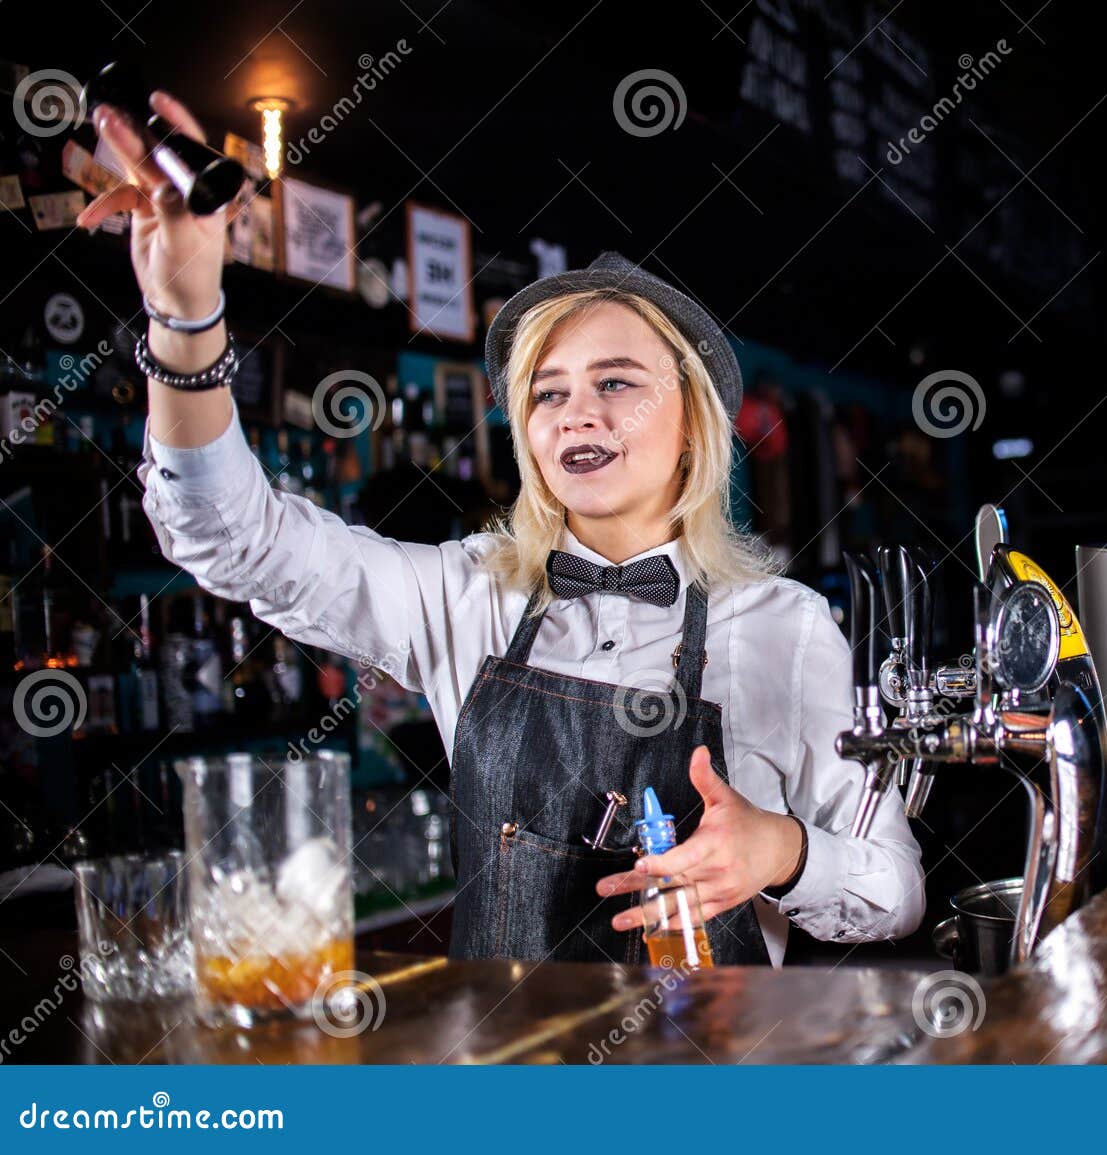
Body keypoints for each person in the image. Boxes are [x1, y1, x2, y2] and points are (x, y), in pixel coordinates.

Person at [78, 91, 925, 967]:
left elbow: (897, 891)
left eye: (617, 382)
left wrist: (782, 852)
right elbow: (228, 536)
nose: (573, 415)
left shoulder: (785, 627)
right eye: (547, 392)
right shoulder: (465, 594)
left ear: (693, 423)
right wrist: (184, 317)